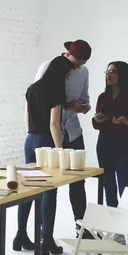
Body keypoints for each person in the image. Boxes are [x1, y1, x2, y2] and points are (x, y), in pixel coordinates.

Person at [34, 40, 92, 238]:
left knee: (78, 182)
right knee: (49, 184)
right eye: (76, 63)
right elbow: (36, 99)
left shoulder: (83, 72)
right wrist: (66, 105)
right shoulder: (46, 68)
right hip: (51, 133)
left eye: (81, 64)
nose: (77, 68)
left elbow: (86, 99)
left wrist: (83, 106)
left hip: (73, 131)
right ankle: (44, 229)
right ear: (68, 54)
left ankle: (81, 227)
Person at [16, 56, 73, 255]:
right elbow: (54, 124)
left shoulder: (32, 88)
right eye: (67, 75)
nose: (67, 78)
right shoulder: (55, 90)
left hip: (30, 140)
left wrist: (33, 134)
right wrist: (60, 150)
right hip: (46, 141)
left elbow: (26, 118)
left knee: (28, 188)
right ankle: (47, 240)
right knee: (49, 191)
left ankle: (20, 234)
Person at [92, 61, 128, 207]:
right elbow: (96, 124)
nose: (109, 75)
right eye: (107, 72)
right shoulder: (102, 97)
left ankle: (126, 225)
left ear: (122, 75)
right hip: (104, 143)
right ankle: (112, 223)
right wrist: (97, 119)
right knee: (108, 184)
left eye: (113, 72)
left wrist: (126, 121)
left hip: (122, 144)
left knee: (125, 185)